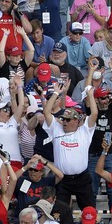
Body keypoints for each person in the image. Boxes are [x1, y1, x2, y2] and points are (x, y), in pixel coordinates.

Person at [43, 72, 99, 209]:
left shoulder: (84, 130)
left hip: (82, 178)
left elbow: (95, 114)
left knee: (89, 209)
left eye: (68, 120)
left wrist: (90, 95)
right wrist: (56, 93)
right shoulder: (57, 128)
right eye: (63, 119)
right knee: (59, 212)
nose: (64, 122)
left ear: (77, 121)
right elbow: (46, 112)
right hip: (62, 178)